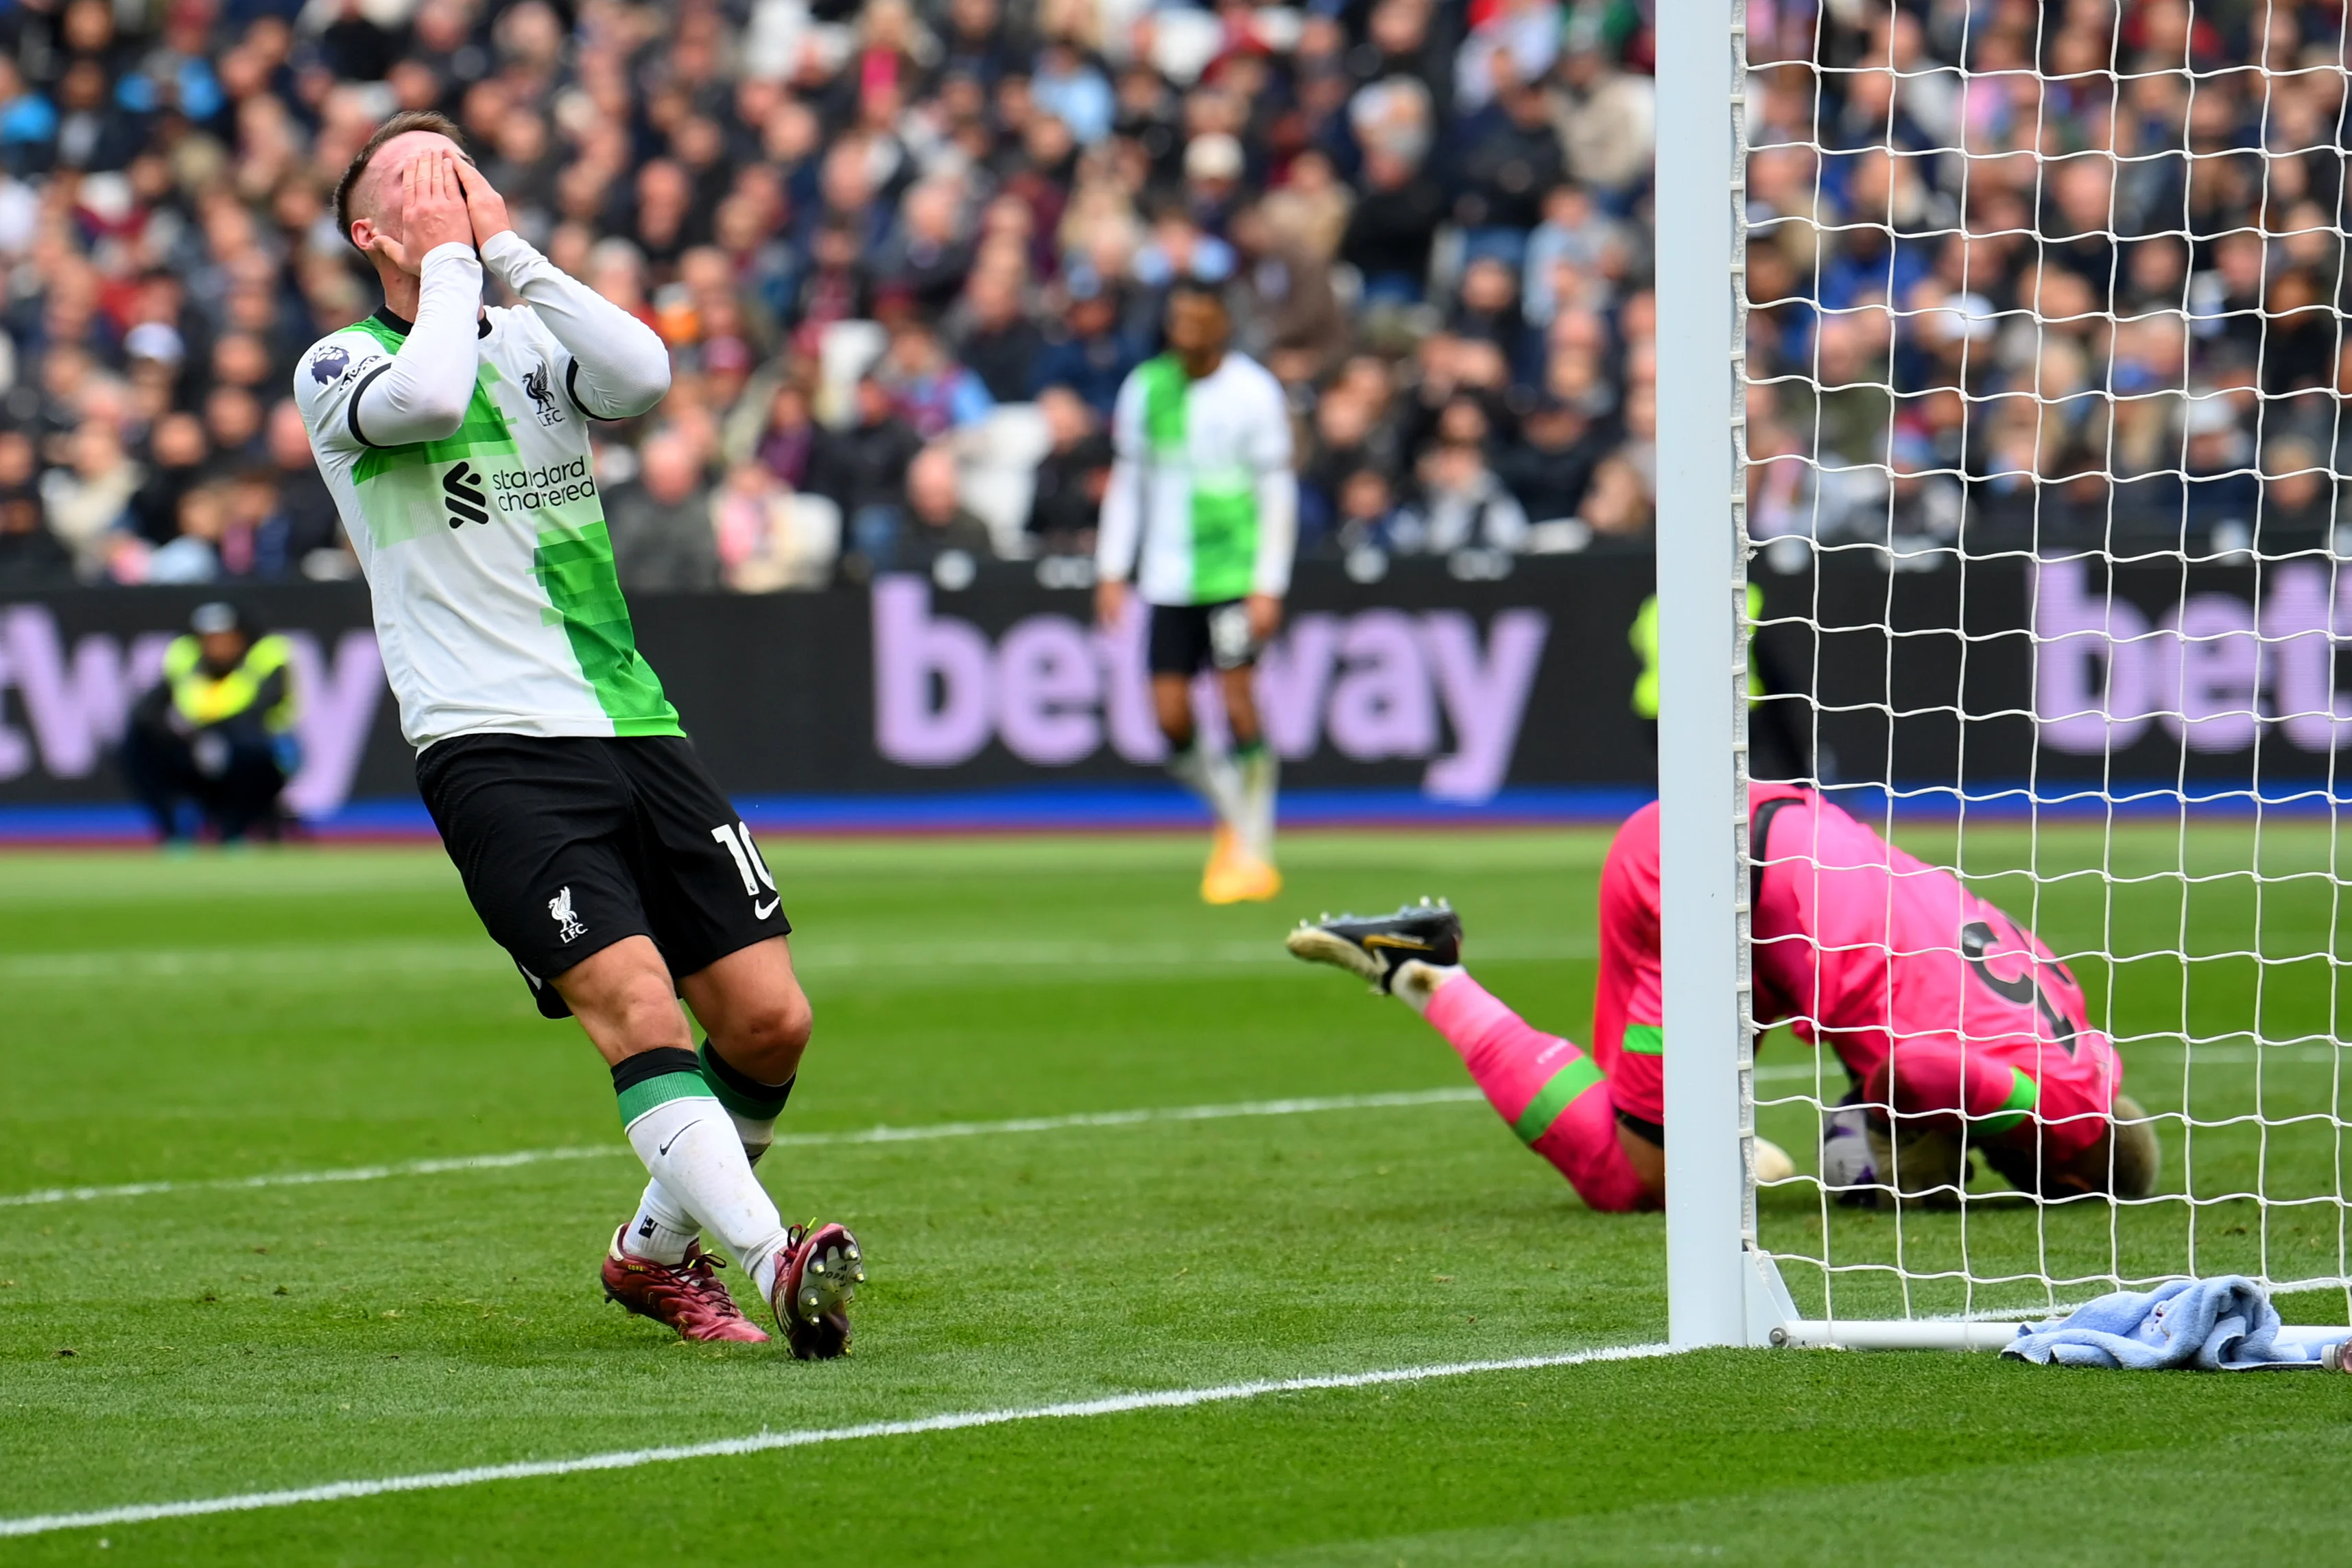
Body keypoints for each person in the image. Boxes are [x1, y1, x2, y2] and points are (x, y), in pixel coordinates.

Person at [289, 112, 862, 1357]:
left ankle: (650, 1258)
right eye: (415, 176)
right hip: (489, 745)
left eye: (461, 164)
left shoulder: (532, 330)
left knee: (770, 1022)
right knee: (635, 1003)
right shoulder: (339, 366)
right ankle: (773, 1259)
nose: (446, 185)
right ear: (365, 229)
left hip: (631, 718)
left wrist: (513, 254)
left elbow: (646, 377)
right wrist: (450, 263)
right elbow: (431, 391)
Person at [1285, 784, 2159, 1213]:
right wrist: (1875, 1132)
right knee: (1635, 1177)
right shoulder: (2067, 1120)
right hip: (1715, 885)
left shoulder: (2075, 1022)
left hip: (1785, 865)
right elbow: (1919, 1064)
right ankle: (1426, 972)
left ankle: (1429, 967)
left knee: (1670, 1140)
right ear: (2073, 1174)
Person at [1094, 280, 1296, 904]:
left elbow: (1276, 491)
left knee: (1238, 702)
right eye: (1178, 319)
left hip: (1232, 574)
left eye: (1198, 320)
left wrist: (1269, 581)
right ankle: (1234, 818)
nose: (1186, 331)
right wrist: (1111, 567)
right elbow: (1129, 483)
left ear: (1221, 326)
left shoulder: (1252, 392)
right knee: (1170, 716)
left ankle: (1254, 844)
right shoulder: (1146, 388)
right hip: (1167, 577)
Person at [118, 601, 299, 842]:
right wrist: (178, 733)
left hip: (261, 755)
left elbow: (262, 709)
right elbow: (147, 711)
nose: (218, 645)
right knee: (136, 745)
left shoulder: (265, 657)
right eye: (210, 639)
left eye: (226, 637)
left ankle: (238, 830)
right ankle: (174, 830)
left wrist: (212, 731)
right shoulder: (186, 660)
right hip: (200, 749)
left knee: (248, 749)